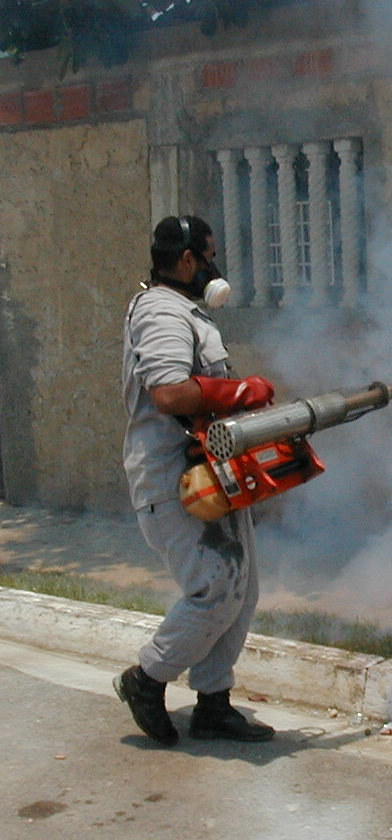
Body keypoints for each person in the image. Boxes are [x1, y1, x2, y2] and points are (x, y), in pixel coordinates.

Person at [114, 214, 276, 746]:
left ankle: (213, 703)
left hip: (209, 471)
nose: (212, 264)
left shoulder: (182, 310)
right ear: (187, 260)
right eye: (207, 254)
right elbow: (169, 394)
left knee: (241, 589)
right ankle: (147, 678)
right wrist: (238, 393)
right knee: (214, 591)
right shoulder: (161, 312)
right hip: (172, 478)